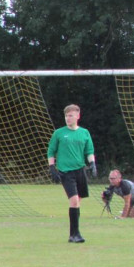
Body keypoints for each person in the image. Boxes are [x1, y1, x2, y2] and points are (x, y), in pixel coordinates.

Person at [47, 104, 96, 243]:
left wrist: (92, 164)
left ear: (77, 116)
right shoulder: (59, 133)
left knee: (77, 201)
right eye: (66, 116)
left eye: (71, 116)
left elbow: (89, 151)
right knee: (74, 200)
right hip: (66, 172)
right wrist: (52, 168)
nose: (68, 118)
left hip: (80, 170)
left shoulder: (84, 133)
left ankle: (74, 233)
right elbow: (51, 151)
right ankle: (74, 234)